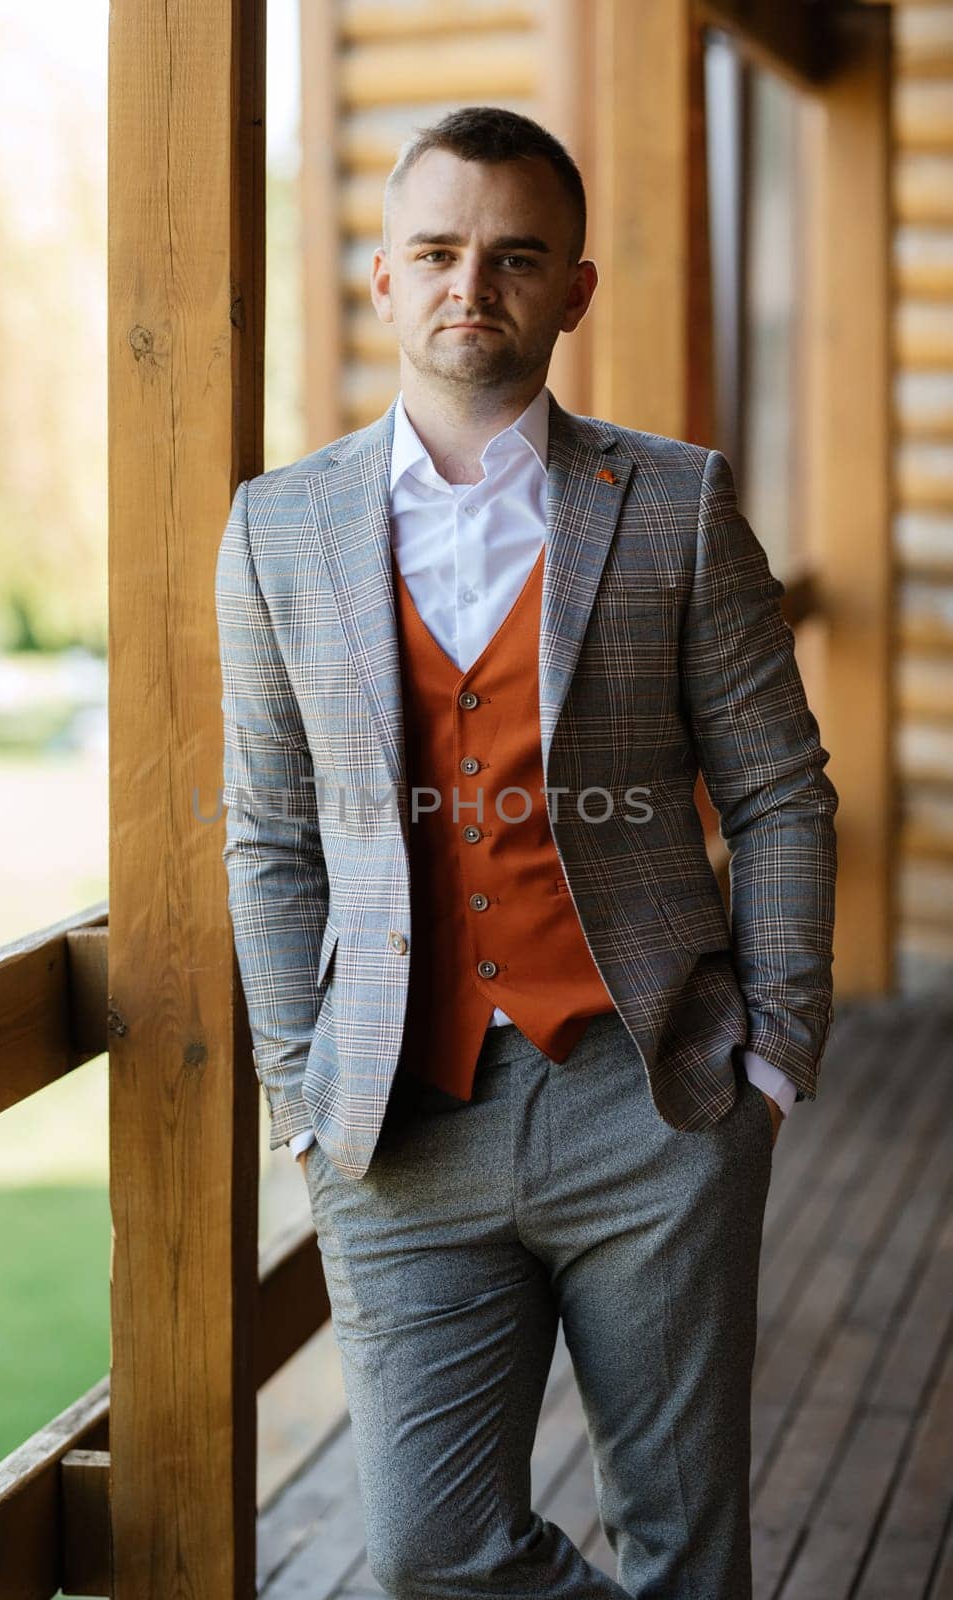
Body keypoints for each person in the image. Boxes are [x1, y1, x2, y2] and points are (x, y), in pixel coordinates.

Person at [216, 105, 837, 1600]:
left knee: (689, 1544)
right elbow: (269, 832)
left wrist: (772, 1057)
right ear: (382, 277)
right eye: (436, 250)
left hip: (656, 1105)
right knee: (436, 1555)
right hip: (400, 1128)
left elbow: (782, 791)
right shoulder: (277, 530)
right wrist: (302, 1084)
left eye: (512, 255)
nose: (469, 285)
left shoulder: (675, 504)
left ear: (574, 288)